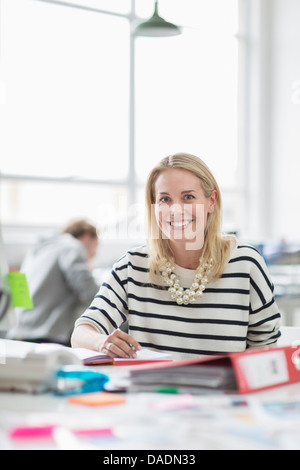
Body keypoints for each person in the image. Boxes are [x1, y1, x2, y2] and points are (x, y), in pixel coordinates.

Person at [71, 153, 281, 360]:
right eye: (165, 199)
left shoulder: (245, 263)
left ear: (211, 201)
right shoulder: (132, 266)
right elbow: (81, 333)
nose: (176, 210)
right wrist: (102, 342)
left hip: (223, 392)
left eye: (188, 197)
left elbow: (265, 352)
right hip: (151, 392)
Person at [8, 219, 99, 346]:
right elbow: (91, 293)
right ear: (87, 236)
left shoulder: (40, 249)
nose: (94, 254)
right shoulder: (72, 247)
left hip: (20, 331)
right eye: (96, 247)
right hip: (47, 335)